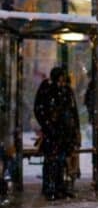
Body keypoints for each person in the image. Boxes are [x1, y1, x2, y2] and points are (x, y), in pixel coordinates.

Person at [33, 66, 79, 200]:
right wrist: (48, 125)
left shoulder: (66, 91)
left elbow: (73, 111)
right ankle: (50, 187)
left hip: (63, 133)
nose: (62, 82)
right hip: (53, 132)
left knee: (60, 160)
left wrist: (74, 129)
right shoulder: (48, 89)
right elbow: (39, 109)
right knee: (52, 160)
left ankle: (59, 187)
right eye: (60, 79)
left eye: (63, 80)